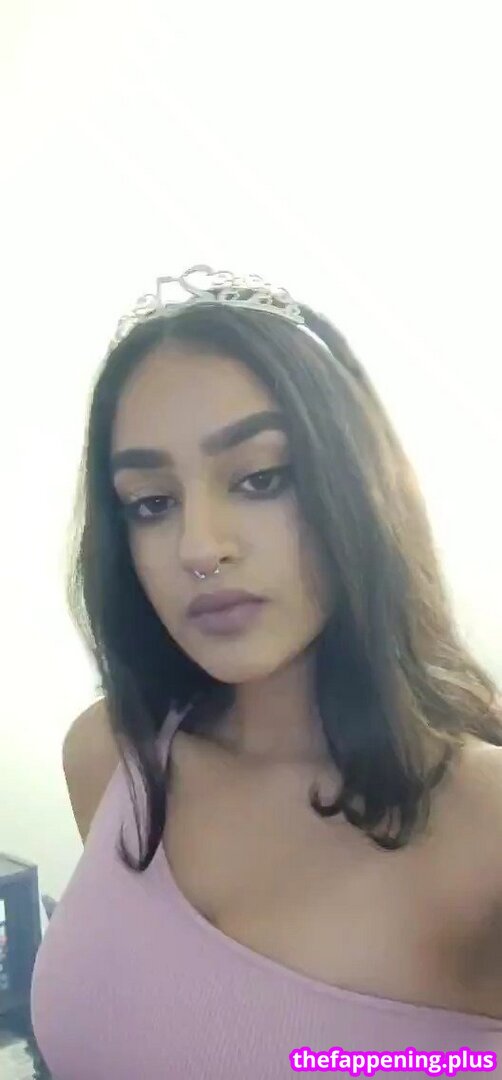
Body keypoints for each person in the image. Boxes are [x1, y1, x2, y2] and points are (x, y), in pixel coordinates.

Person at [30, 266, 502, 1078]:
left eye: (260, 479)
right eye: (151, 502)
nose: (199, 547)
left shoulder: (484, 825)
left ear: (361, 485)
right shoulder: (111, 758)